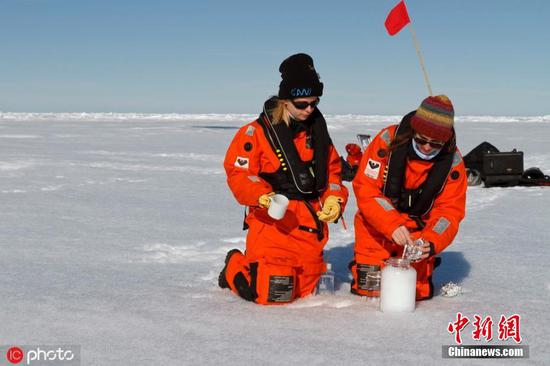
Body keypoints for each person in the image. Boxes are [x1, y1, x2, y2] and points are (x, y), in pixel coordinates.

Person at [218, 53, 349, 305]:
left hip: (309, 227)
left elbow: (333, 172)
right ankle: (234, 265)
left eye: (314, 102)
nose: (309, 109)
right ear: (285, 101)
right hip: (273, 224)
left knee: (305, 293)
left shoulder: (318, 135)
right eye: (302, 104)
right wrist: (261, 196)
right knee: (271, 293)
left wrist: (334, 199)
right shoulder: (254, 134)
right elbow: (239, 173)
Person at [350, 95, 467, 300]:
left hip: (418, 234)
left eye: (436, 143)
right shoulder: (386, 141)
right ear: (413, 130)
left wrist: (430, 243)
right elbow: (366, 189)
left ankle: (425, 266)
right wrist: (391, 224)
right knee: (372, 290)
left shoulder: (453, 164)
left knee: (413, 293)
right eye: (421, 139)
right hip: (377, 225)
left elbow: (450, 212)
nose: (427, 147)